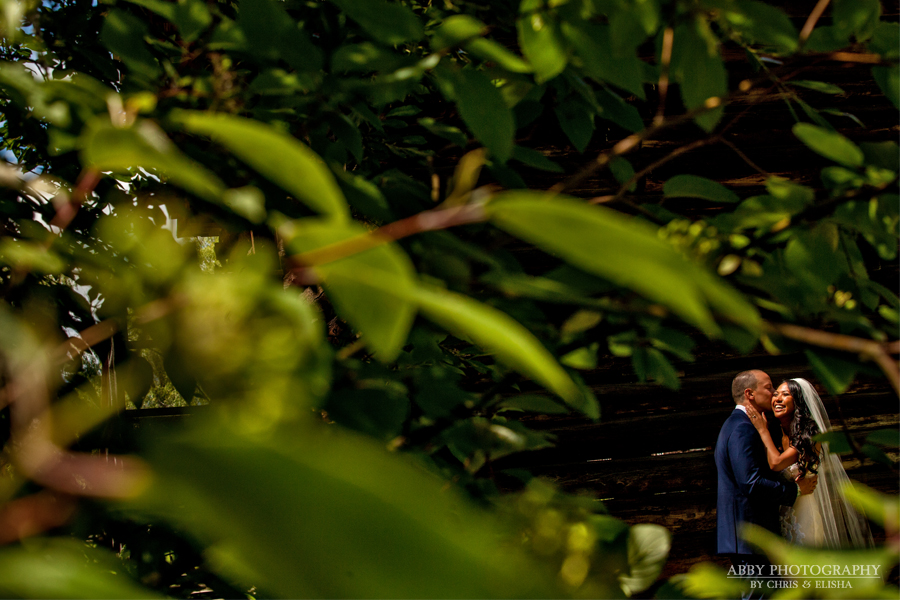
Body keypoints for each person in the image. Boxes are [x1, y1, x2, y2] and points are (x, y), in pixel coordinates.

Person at [745, 378, 873, 548]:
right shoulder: (781, 434)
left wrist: (762, 430)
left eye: (785, 395)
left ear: (799, 402)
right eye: (775, 394)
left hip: (803, 518)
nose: (778, 399)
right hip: (782, 515)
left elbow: (776, 463)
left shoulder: (810, 436)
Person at [715, 370, 818, 567]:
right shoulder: (742, 428)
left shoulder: (751, 426)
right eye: (769, 387)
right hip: (751, 534)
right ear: (749, 394)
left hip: (771, 530)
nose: (773, 394)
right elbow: (751, 483)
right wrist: (796, 490)